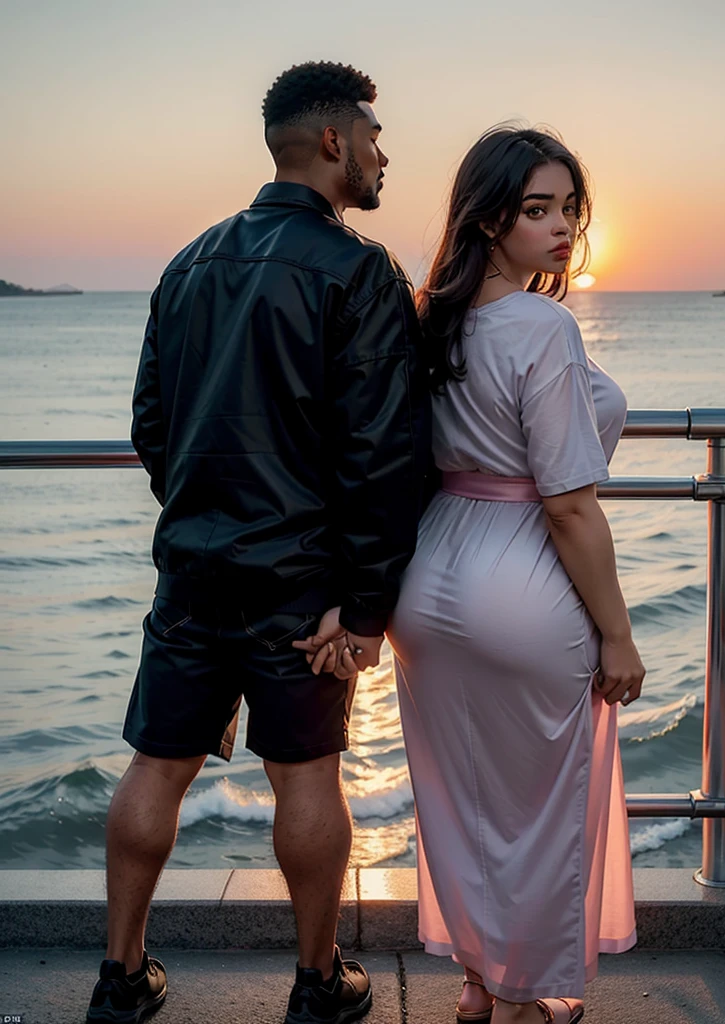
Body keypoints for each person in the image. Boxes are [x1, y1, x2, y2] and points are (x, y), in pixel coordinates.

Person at [86, 61, 431, 1024]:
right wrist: (363, 609)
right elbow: (383, 455)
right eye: (372, 134)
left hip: (193, 573)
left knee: (157, 762)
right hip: (302, 588)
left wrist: (205, 525)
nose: (381, 151)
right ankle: (319, 986)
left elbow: (153, 428)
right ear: (332, 143)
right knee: (307, 777)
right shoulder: (361, 269)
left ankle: (121, 981)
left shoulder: (188, 263)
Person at [389, 127, 645, 1024]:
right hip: (522, 573)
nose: (564, 226)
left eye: (571, 208)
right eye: (539, 209)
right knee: (542, 808)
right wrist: (617, 632)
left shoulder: (431, 319)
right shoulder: (542, 325)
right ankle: (526, 992)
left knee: (460, 796)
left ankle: (477, 978)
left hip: (429, 578)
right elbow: (570, 506)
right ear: (489, 218)